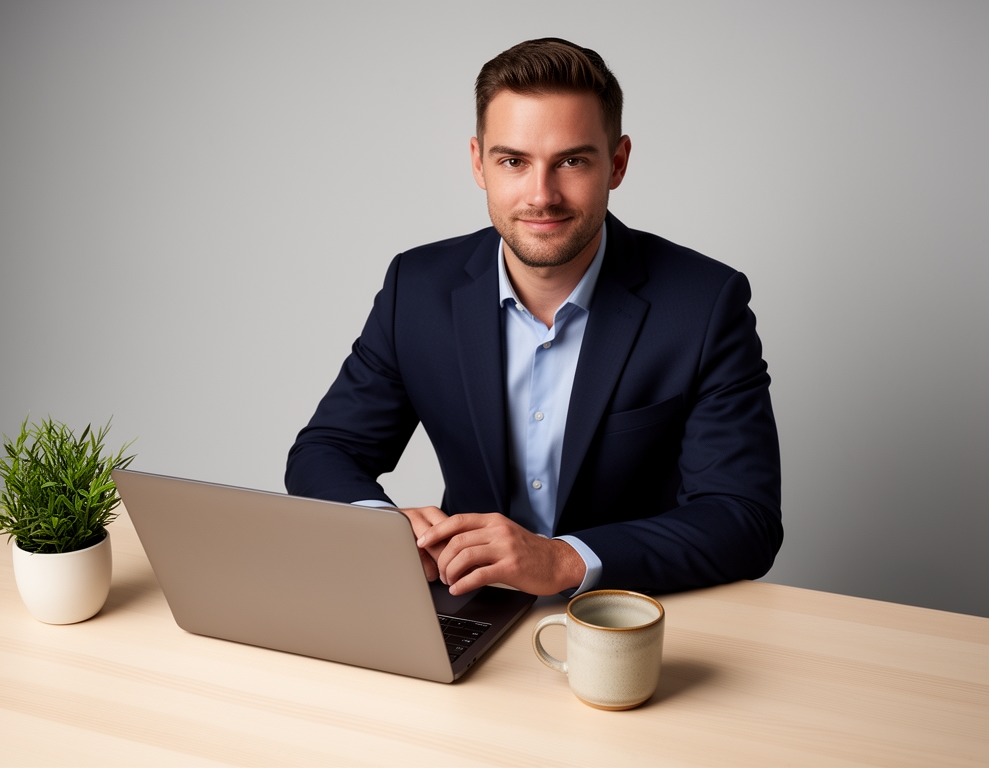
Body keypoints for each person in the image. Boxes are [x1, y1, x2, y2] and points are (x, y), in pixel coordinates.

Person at [286, 38, 782, 598]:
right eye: (513, 162)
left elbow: (744, 518)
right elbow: (324, 451)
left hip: (631, 615)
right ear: (479, 163)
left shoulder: (705, 304)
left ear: (616, 163)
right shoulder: (417, 288)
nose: (541, 195)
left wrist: (564, 560)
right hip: (467, 605)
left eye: (572, 161)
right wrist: (382, 526)